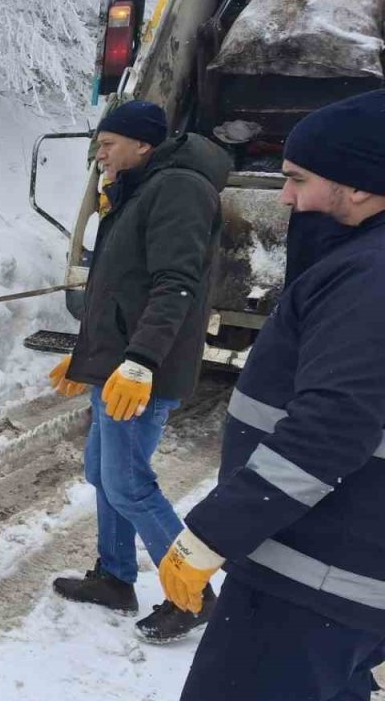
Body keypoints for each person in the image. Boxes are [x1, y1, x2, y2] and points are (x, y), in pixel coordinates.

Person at [161, 90, 385, 701]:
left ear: (360, 185)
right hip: (348, 581)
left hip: (310, 589)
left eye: (297, 179)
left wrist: (214, 533)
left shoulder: (370, 275)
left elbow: (333, 426)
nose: (285, 197)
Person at [48, 99, 232, 642]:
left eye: (107, 144)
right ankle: (114, 578)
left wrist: (140, 360)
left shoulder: (178, 189)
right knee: (104, 473)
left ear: (142, 145)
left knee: (128, 483)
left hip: (142, 372)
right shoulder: (138, 190)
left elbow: (176, 284)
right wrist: (88, 356)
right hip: (119, 365)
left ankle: (193, 594)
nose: (99, 154)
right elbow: (117, 289)